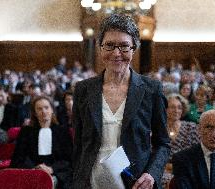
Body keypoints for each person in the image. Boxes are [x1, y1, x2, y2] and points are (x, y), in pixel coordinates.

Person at [72, 14, 170, 189]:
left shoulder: (151, 89)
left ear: (134, 49)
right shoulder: (83, 90)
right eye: (109, 45)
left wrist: (151, 174)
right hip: (92, 183)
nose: (116, 53)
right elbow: (79, 145)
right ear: (100, 48)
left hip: (136, 183)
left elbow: (163, 143)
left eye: (124, 46)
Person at [11, 95, 73, 189]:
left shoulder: (62, 131)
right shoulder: (26, 132)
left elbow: (68, 159)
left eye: (46, 108)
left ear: (52, 110)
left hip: (57, 172)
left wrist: (51, 169)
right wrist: (36, 168)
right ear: (35, 113)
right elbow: (19, 157)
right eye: (39, 109)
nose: (43, 111)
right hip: (31, 170)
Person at [162, 94, 199, 188]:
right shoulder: (158, 130)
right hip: (162, 172)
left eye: (179, 108)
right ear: (164, 109)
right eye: (172, 107)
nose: (176, 111)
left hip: (187, 171)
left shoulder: (191, 127)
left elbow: (197, 155)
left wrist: (172, 166)